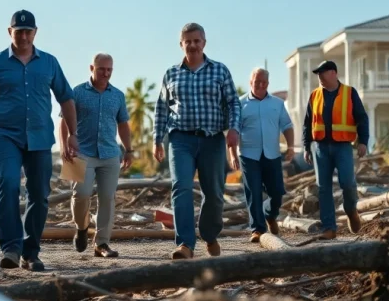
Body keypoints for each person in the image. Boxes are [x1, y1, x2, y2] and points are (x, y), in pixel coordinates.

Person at [0, 9, 79, 271]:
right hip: (6, 136)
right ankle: (10, 248)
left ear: (35, 32)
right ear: (10, 32)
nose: (23, 36)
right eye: (18, 31)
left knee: (39, 194)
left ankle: (30, 253)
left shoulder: (49, 63)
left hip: (40, 138)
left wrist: (73, 135)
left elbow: (66, 97)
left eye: (27, 31)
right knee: (8, 184)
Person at [153, 22, 241, 260]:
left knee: (213, 193)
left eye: (196, 40)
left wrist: (233, 129)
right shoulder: (171, 74)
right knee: (180, 187)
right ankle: (185, 244)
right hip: (180, 139)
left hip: (212, 140)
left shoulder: (220, 71)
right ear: (181, 44)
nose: (192, 45)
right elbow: (162, 108)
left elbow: (233, 103)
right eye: (187, 41)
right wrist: (156, 140)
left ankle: (209, 235)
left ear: (204, 42)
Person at [57, 53, 133, 258]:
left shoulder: (117, 95)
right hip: (80, 152)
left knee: (107, 198)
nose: (106, 73)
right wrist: (64, 146)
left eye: (109, 70)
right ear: (92, 68)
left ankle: (102, 244)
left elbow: (123, 124)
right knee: (80, 194)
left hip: (110, 154)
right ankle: (81, 228)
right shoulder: (77, 92)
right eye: (102, 69)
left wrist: (129, 150)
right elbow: (64, 121)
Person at [302, 60, 369, 240]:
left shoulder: (349, 93)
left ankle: (350, 210)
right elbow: (308, 123)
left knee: (347, 183)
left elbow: (362, 118)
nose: (320, 77)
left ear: (333, 73)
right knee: (323, 188)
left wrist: (363, 141)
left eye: (322, 73)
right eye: (318, 74)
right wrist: (306, 147)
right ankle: (329, 228)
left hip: (343, 147)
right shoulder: (314, 95)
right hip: (320, 148)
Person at [229, 68, 294, 242]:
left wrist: (290, 147)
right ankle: (257, 229)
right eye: (257, 81)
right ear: (251, 82)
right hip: (248, 155)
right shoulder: (240, 103)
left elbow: (287, 126)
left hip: (272, 154)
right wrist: (233, 154)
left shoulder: (277, 104)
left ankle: (270, 214)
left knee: (277, 193)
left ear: (268, 83)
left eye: (263, 82)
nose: (260, 85)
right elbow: (233, 130)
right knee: (254, 191)